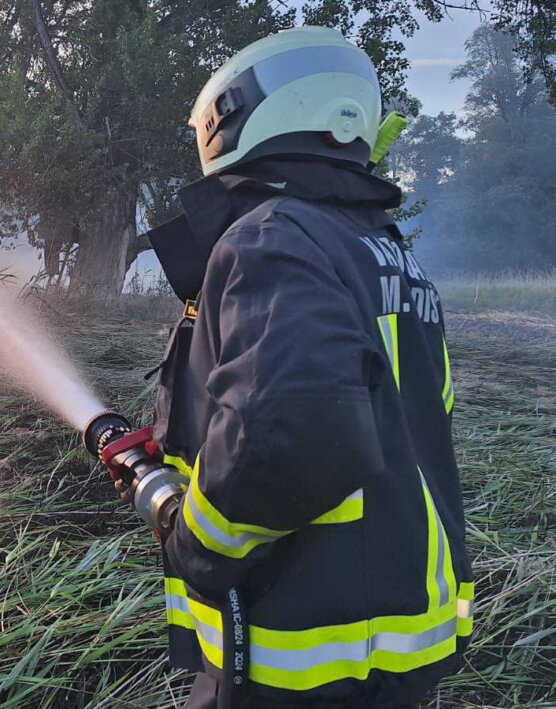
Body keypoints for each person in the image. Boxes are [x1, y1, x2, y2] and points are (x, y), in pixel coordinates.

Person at [138, 26, 471, 708]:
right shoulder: (387, 254)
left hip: (300, 646)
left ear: (233, 116)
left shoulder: (271, 236)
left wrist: (195, 542)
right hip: (390, 633)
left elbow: (286, 431)